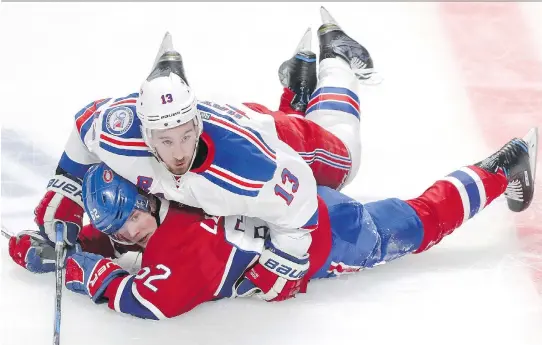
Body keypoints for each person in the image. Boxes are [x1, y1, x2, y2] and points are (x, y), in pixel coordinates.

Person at [9, 127, 538, 319]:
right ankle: (310, 80)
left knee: (418, 223)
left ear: (145, 197)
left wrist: (73, 263)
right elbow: (123, 230)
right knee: (332, 144)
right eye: (117, 229)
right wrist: (69, 238)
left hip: (331, 236)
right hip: (279, 171)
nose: (125, 237)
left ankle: (499, 170)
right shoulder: (167, 184)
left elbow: (143, 300)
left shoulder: (178, 257)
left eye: (127, 223)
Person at [33, 7, 373, 301]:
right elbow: (85, 125)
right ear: (146, 132)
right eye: (165, 141)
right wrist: (66, 187)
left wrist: (287, 259)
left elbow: (298, 199)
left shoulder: (248, 168)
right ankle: (296, 91)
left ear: (196, 123)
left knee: (345, 159)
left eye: (185, 137)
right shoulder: (121, 132)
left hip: (275, 139)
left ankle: (337, 58)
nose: (179, 154)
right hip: (240, 133)